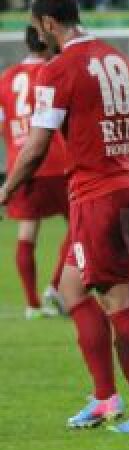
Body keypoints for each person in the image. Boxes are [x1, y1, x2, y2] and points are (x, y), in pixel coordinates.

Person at [0, 0, 129, 434]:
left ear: (47, 25)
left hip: (100, 194)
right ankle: (104, 398)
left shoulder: (59, 70)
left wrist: (6, 191)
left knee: (120, 300)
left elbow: (36, 147)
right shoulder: (120, 61)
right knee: (72, 289)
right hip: (126, 188)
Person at [0, 24, 71, 319]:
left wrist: (16, 146)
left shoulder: (6, 79)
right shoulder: (55, 70)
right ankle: (55, 288)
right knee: (80, 227)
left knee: (27, 232)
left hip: (22, 166)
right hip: (56, 162)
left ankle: (32, 305)